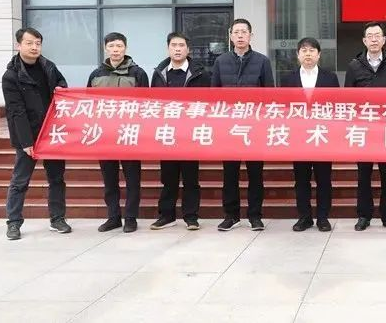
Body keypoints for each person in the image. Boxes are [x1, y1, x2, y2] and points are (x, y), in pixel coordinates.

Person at [2, 28, 71, 240]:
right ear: (19, 45)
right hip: (28, 136)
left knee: (57, 178)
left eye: (38, 43)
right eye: (29, 43)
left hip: (52, 132)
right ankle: (13, 222)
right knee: (20, 181)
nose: (34, 47)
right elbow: (16, 111)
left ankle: (57, 218)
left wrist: (61, 89)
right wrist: (26, 142)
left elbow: (63, 86)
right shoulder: (11, 76)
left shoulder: (49, 67)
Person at [212, 18, 275, 232]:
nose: (240, 35)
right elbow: (214, 95)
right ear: (230, 36)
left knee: (255, 174)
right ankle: (231, 215)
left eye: (244, 32)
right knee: (229, 174)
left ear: (250, 35)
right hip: (229, 127)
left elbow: (269, 94)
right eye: (236, 32)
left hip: (254, 127)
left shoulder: (262, 61)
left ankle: (255, 216)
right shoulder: (220, 61)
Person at [344, 21, 386, 231]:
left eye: (377, 35)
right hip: (363, 130)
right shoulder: (354, 66)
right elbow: (348, 100)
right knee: (364, 175)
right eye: (370, 36)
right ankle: (364, 215)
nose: (373, 39)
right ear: (364, 40)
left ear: (384, 39)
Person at [87, 32, 149, 233]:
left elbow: (146, 104)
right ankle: (113, 217)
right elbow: (89, 104)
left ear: (125, 48)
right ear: (105, 48)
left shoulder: (138, 73)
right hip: (105, 135)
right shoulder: (96, 75)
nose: (115, 50)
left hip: (129, 133)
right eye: (112, 46)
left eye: (119, 46)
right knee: (109, 179)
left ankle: (130, 218)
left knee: (132, 179)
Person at [149, 32, 211, 231]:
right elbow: (152, 103)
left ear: (188, 49)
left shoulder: (200, 74)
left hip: (190, 133)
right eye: (174, 45)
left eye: (181, 45)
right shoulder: (159, 73)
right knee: (168, 178)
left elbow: (209, 103)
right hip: (167, 132)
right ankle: (166, 215)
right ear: (168, 48)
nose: (177, 49)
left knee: (191, 178)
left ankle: (191, 216)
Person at [279, 37, 340, 232]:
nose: (308, 54)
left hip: (322, 136)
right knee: (301, 180)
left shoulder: (330, 78)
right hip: (298, 138)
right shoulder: (288, 79)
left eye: (312, 50)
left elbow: (336, 107)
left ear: (319, 55)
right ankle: (304, 217)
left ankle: (323, 217)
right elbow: (282, 108)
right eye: (304, 50)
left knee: (324, 180)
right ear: (297, 55)